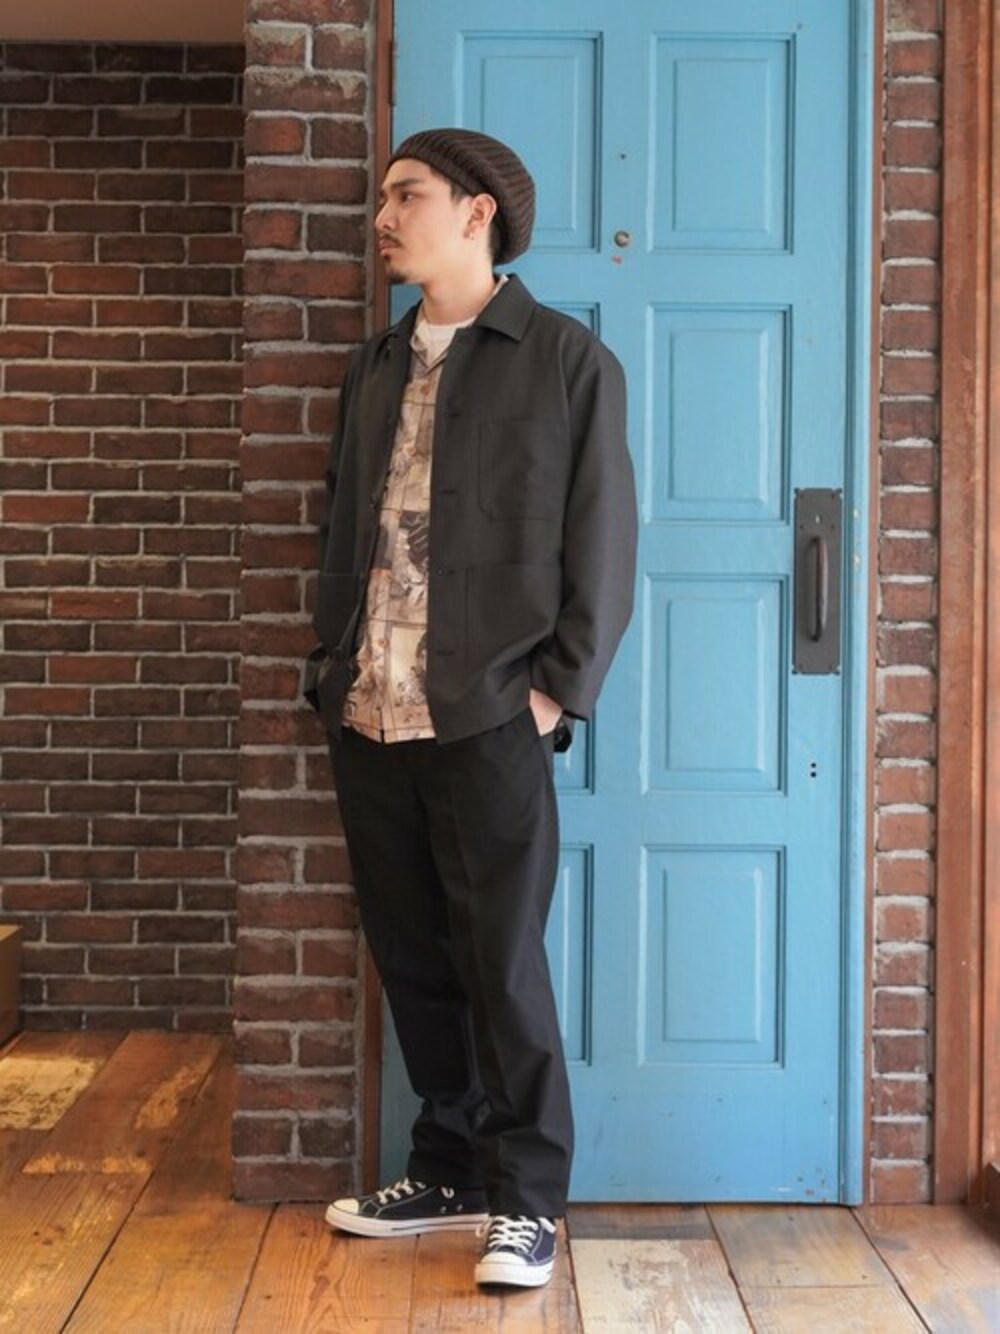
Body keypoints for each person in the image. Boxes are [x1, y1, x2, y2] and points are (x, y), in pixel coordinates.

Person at [305, 127, 637, 1290]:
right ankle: (446, 1169)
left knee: (500, 962)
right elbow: (342, 518)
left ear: (477, 211)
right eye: (385, 197)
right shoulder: (373, 365)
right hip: (368, 709)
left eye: (406, 195)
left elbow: (601, 540)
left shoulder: (566, 361)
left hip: (489, 712)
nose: (384, 217)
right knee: (414, 956)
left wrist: (555, 692)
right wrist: (327, 661)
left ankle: (527, 1197)